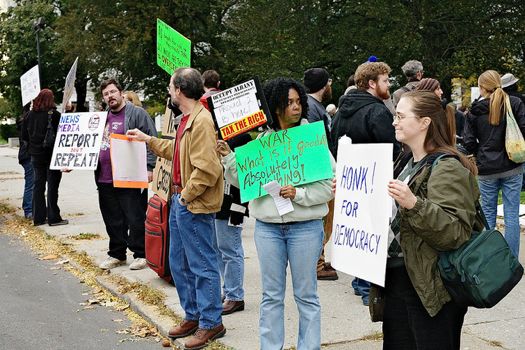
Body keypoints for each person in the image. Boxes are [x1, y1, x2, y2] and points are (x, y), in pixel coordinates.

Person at [218, 77, 334, 350]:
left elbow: (328, 189)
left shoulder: (312, 140)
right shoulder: (264, 142)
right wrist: (227, 156)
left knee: (306, 296)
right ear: (275, 106)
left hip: (305, 227)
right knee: (271, 296)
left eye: (298, 102)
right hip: (268, 228)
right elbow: (242, 180)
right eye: (288, 102)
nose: (295, 107)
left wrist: (299, 194)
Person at [127, 68, 225, 349]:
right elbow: (178, 152)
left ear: (180, 90)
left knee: (202, 265)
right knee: (179, 265)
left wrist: (185, 198)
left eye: (171, 87)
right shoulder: (188, 120)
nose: (169, 92)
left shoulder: (202, 121)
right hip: (181, 203)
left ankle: (211, 323)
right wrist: (148, 141)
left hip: (192, 205)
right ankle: (193, 316)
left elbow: (207, 169)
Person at [383, 90, 482, 349]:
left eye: (401, 116)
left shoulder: (447, 166)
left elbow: (455, 231)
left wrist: (414, 204)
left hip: (432, 287)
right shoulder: (406, 160)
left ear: (424, 122)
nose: (395, 121)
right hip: (399, 278)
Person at [330, 61, 400, 305]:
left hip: (352, 182)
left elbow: (333, 146)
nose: (388, 85)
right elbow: (393, 148)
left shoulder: (341, 112)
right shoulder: (377, 111)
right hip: (375, 183)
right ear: (372, 83)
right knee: (374, 232)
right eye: (385, 81)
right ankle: (369, 285)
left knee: (360, 231)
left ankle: (360, 282)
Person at [96, 78, 157, 271]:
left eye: (113, 92)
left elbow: (151, 140)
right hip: (105, 177)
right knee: (112, 218)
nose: (110, 96)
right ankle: (117, 254)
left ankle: (141, 254)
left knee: (135, 216)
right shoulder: (100, 119)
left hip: (130, 176)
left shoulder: (137, 114)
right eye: (106, 94)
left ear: (121, 93)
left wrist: (149, 167)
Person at [463, 70, 525, 258]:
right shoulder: (514, 104)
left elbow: (468, 142)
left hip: (486, 168)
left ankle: (490, 259)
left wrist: (481, 150)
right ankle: (512, 259)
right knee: (511, 215)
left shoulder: (474, 111)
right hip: (512, 165)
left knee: (487, 215)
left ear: (482, 88)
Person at [303, 68, 338, 281]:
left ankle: (318, 258)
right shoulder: (311, 108)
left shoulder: (315, 106)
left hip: (324, 166)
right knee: (324, 216)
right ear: (325, 85)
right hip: (318, 169)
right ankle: (316, 262)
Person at [215, 134, 251, 315]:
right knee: (220, 249)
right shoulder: (218, 135)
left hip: (233, 202)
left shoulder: (242, 137)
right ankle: (228, 289)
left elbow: (245, 173)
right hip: (218, 201)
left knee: (230, 249)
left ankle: (235, 295)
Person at [21, 89, 68, 227]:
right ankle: (54, 217)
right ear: (51, 99)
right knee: (53, 185)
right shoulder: (54, 115)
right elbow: (63, 135)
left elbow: (24, 136)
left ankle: (38, 217)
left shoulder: (28, 115)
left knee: (38, 185)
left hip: (35, 155)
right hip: (52, 154)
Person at [416, 78, 459, 146]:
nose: (441, 92)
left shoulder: (446, 110)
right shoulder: (415, 111)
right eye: (438, 89)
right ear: (429, 91)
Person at [17, 103, 33, 219]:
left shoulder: (24, 119)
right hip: (28, 155)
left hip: (26, 154)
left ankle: (29, 208)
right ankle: (28, 210)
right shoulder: (25, 120)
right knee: (31, 183)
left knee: (32, 182)